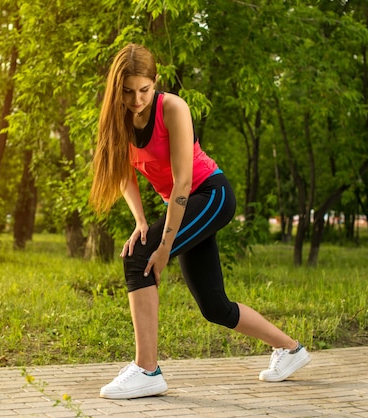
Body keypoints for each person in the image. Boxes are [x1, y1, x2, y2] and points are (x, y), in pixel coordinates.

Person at [89, 43, 311, 400]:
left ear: (155, 82)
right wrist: (141, 221)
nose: (136, 99)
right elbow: (122, 175)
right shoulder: (117, 118)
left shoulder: (172, 108)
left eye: (143, 90)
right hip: (184, 205)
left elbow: (182, 182)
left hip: (210, 195)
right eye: (127, 92)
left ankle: (147, 369)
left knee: (139, 258)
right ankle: (291, 350)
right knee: (214, 307)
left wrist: (163, 247)